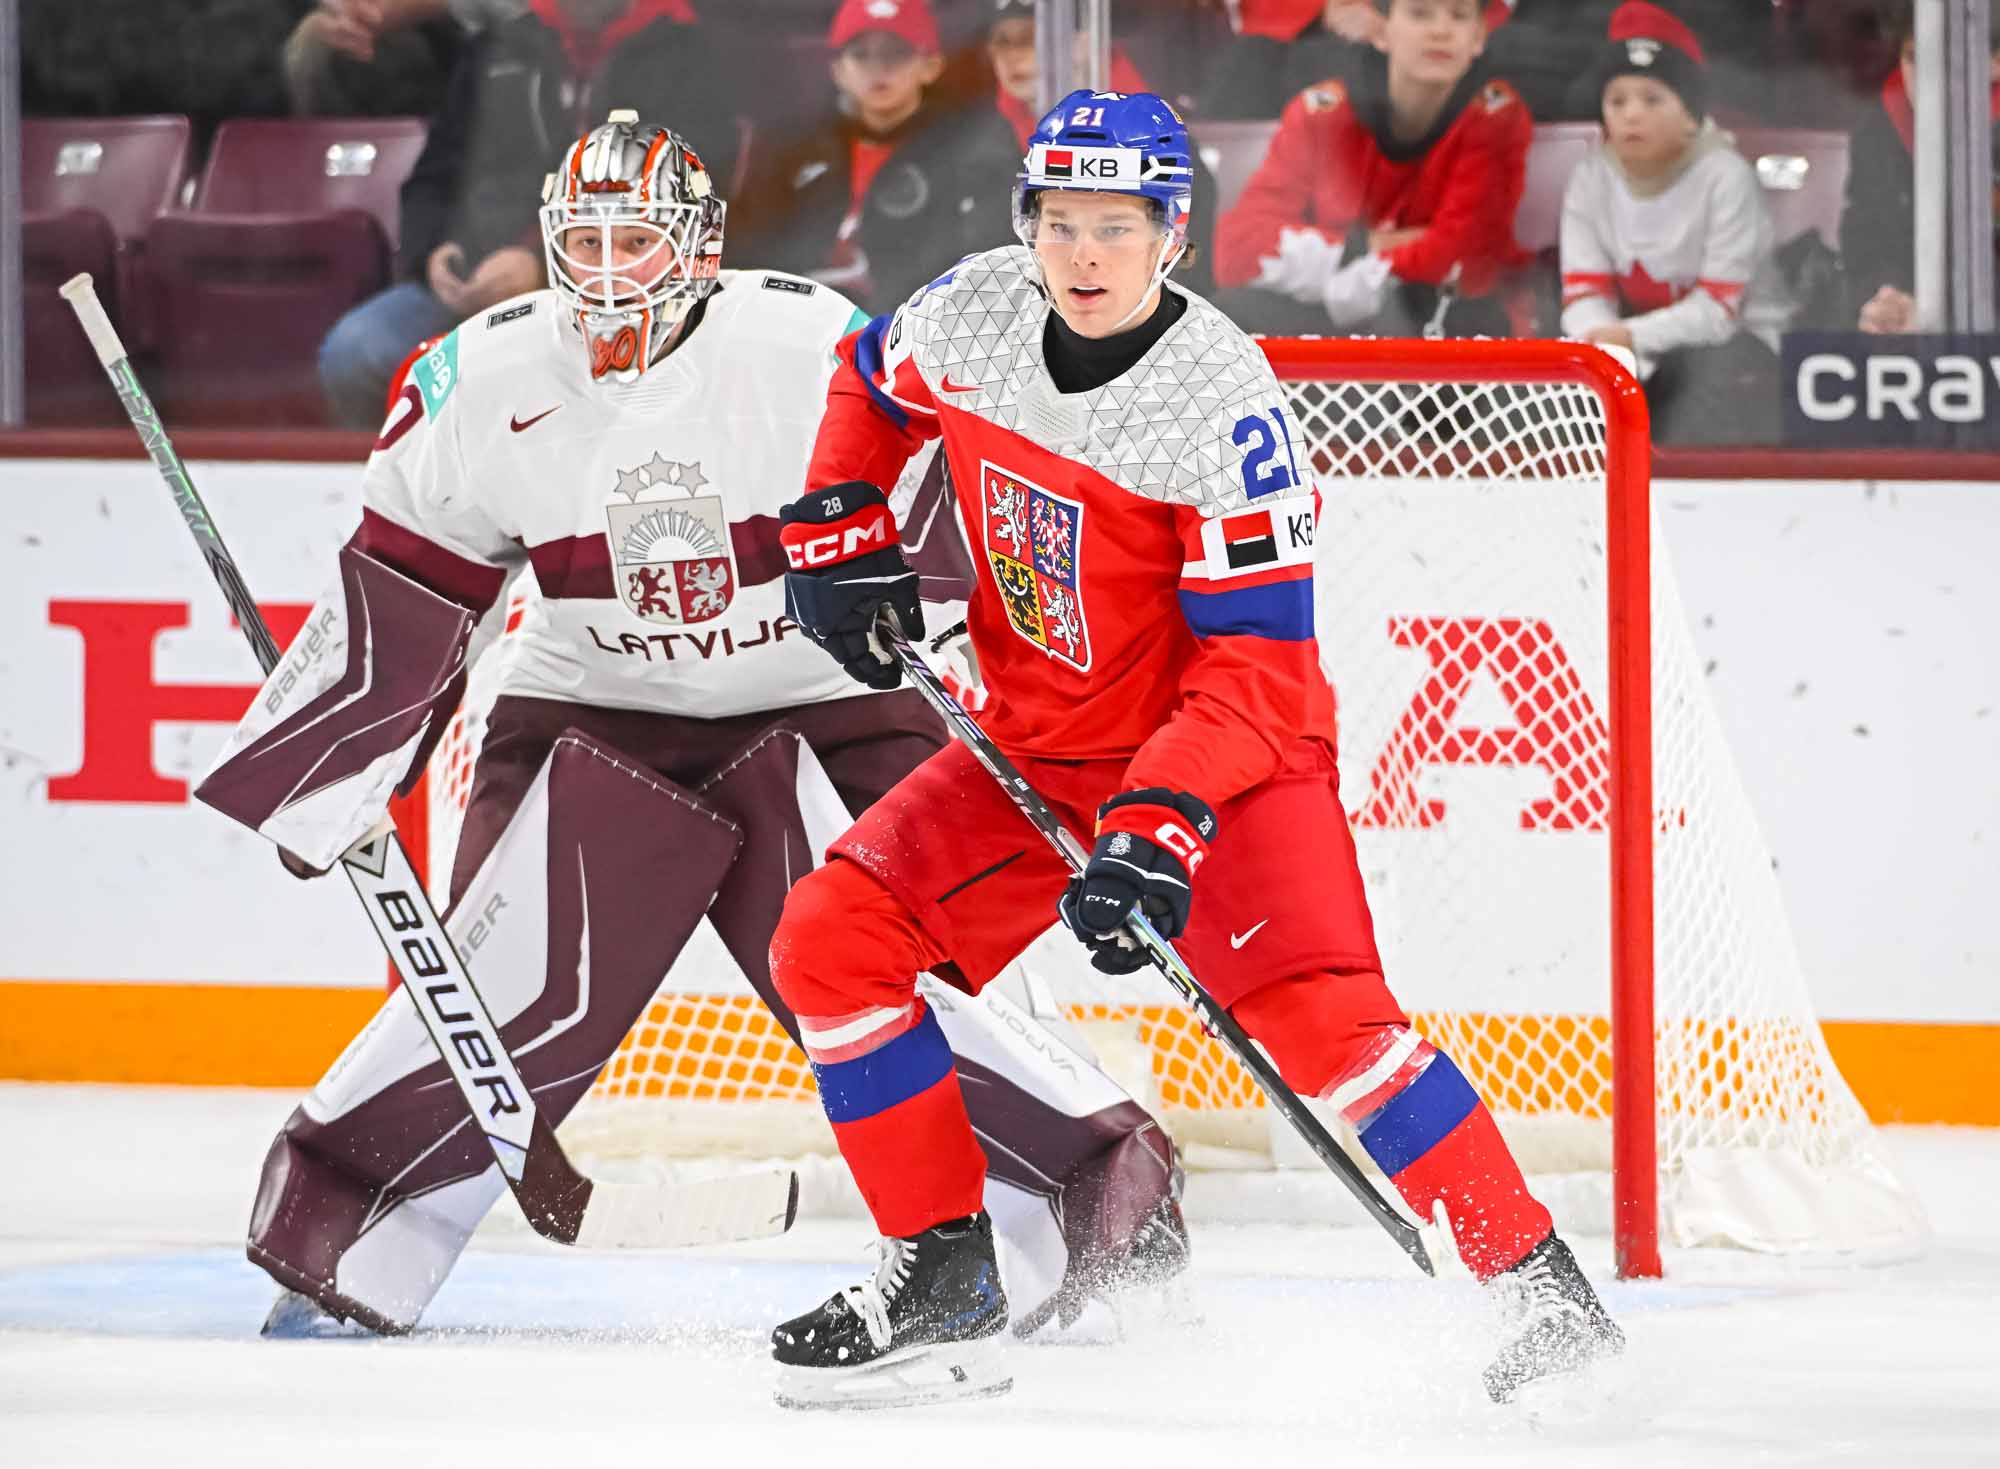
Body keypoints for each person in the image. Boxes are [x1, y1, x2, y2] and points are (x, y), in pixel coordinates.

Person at [196, 110, 1188, 1340]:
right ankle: (345, 1238)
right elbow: (409, 576)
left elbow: (953, 484)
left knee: (910, 982)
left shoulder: (804, 342)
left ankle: (1080, 1205)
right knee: (496, 997)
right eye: (586, 243)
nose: (609, 272)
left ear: (702, 245)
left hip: (830, 699)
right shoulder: (477, 376)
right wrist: (328, 761)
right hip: (590, 704)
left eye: (637, 242)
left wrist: (961, 633)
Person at [763, 88, 1624, 1410]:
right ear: (1025, 222)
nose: (1084, 254)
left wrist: (1158, 824)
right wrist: (836, 519)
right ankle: (940, 1281)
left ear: (1173, 231)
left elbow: (1254, 671)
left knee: (1330, 1027)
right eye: (1061, 222)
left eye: (1117, 225)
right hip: (1037, 744)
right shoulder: (975, 309)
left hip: (1227, 760)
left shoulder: (1224, 411)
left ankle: (1539, 1293)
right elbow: (868, 382)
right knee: (832, 939)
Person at [314, 0, 748, 428]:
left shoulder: (687, 53)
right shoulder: (500, 47)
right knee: (357, 351)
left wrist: (545, 268)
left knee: (567, 369)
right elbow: (435, 177)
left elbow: (688, 198)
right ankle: (421, 469)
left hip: (621, 296)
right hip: (474, 282)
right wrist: (434, 253)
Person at [1211, 0, 1531, 338]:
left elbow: (1461, 258)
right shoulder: (1323, 113)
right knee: (1229, 312)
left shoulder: (1496, 116)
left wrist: (1340, 258)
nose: (1441, 31)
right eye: (1420, 13)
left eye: (1459, 16)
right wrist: (1361, 247)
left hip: (1438, 315)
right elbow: (1236, 247)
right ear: (1380, 30)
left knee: (1460, 313)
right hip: (1332, 310)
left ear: (1479, 36)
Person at [1559, 1, 1792, 444]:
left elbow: (1719, 314)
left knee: (1697, 392)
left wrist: (1628, 338)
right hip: (1633, 349)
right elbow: (1583, 297)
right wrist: (1607, 346)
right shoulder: (1590, 177)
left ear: (1690, 116)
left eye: (1652, 99)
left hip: (1739, 350)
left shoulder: (1727, 177)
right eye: (1617, 101)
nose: (1631, 114)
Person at [731, 0, 1019, 317]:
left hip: (907, 322)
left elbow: (986, 255)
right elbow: (751, 247)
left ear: (931, 66)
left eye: (896, 53)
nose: (879, 69)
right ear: (837, 69)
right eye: (861, 55)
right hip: (796, 313)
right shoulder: (797, 149)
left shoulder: (966, 148)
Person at [1841, 3, 2000, 335]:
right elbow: (1868, 242)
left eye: (1949, 60)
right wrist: (1889, 301)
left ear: (1995, 64)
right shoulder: (1880, 129)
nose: (1926, 80)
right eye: (1914, 58)